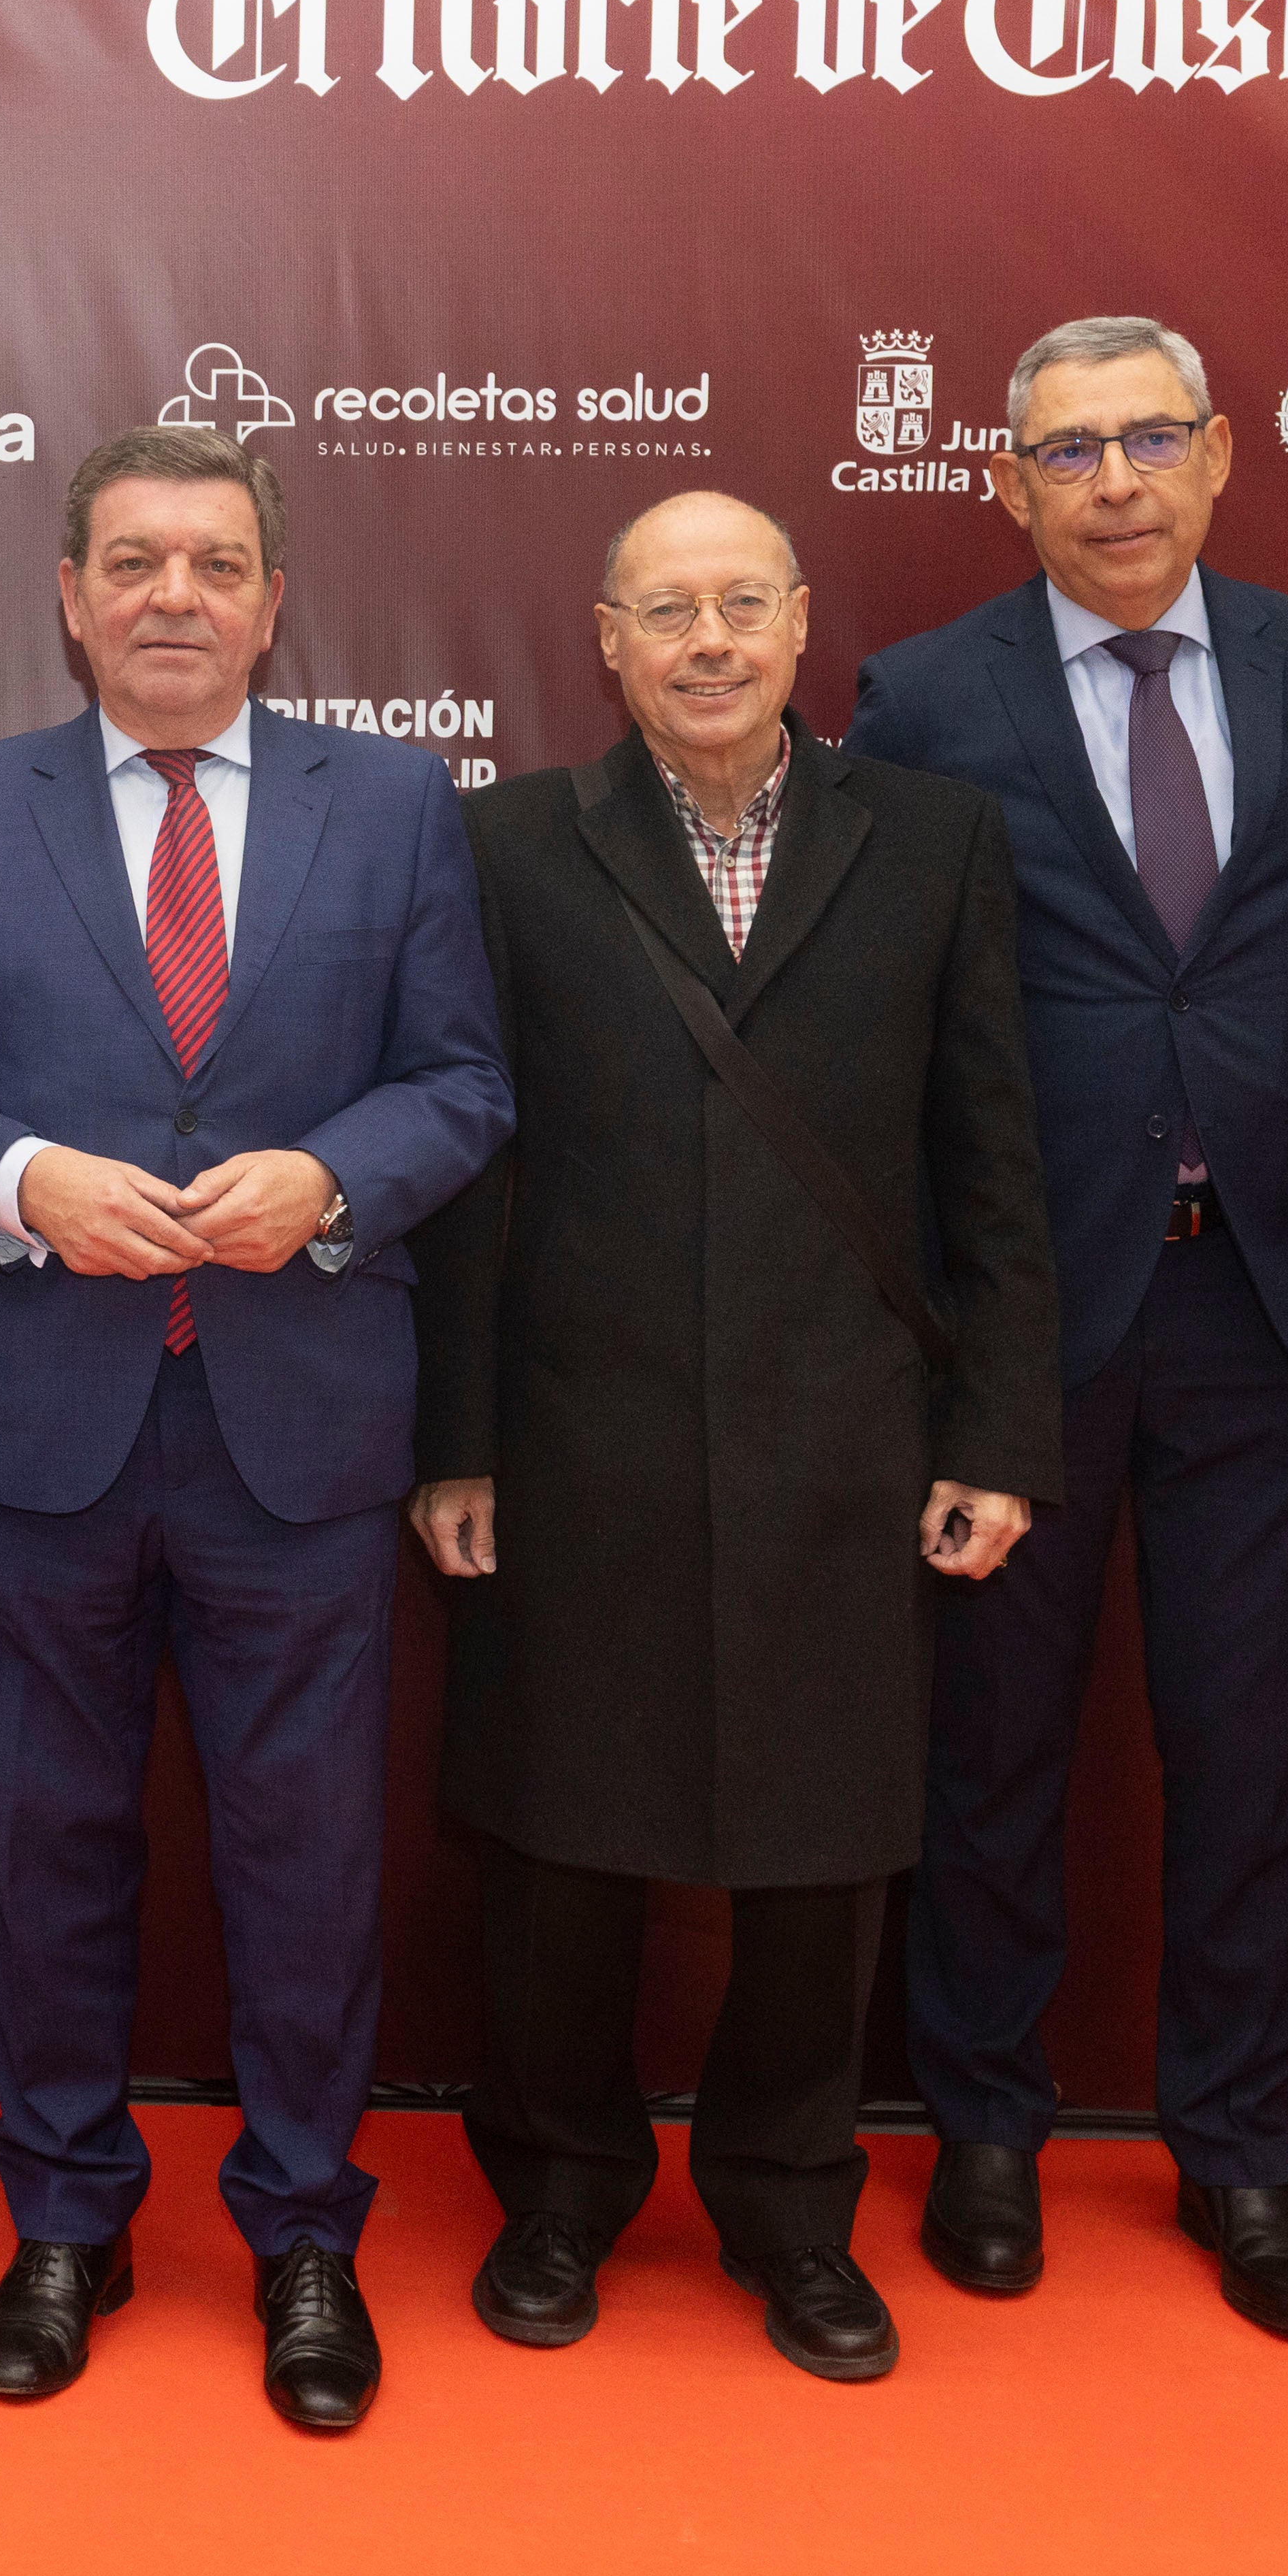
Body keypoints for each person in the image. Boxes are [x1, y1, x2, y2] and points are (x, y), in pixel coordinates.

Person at [0, 423, 510, 2434]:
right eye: (132, 562)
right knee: (47, 1843)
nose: (171, 598)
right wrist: (24, 1176)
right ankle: (64, 2216)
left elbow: (464, 1083)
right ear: (68, 595)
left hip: (296, 1435)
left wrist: (331, 1184)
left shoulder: (393, 806)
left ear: (271, 601)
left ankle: (304, 2233)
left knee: (303, 1858)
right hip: (43, 1428)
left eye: (213, 565)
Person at [410, 491, 1060, 2385]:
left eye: (739, 605)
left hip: (842, 1436)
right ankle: (559, 2192)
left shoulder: (933, 844)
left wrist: (994, 1431)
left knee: (819, 1853)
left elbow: (991, 1170)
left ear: (800, 629)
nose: (705, 641)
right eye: (663, 611)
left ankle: (791, 2209)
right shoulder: (506, 845)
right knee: (556, 1846)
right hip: (570, 1430)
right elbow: (469, 1171)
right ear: (603, 642)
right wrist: (456, 1439)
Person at [844, 316, 1288, 2341]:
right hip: (1023, 1312)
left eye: (1146, 439)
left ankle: (1238, 2156)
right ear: (1005, 484)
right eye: (1065, 449)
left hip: (1256, 1297)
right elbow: (889, 1007)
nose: (1110, 480)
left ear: (1217, 458)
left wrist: (1232, 1135)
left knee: (1244, 1751)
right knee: (992, 1749)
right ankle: (986, 2131)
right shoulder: (922, 696)